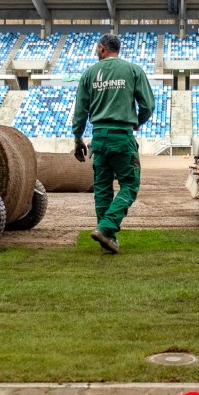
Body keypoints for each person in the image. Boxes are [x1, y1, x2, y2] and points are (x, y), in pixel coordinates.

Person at [72, 33, 155, 254]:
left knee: (102, 188)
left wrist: (77, 138)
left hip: (98, 138)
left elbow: (80, 111)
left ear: (102, 48)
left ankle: (107, 238)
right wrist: (138, 122)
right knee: (130, 184)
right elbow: (147, 105)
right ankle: (107, 229)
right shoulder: (133, 70)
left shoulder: (89, 74)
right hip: (122, 136)